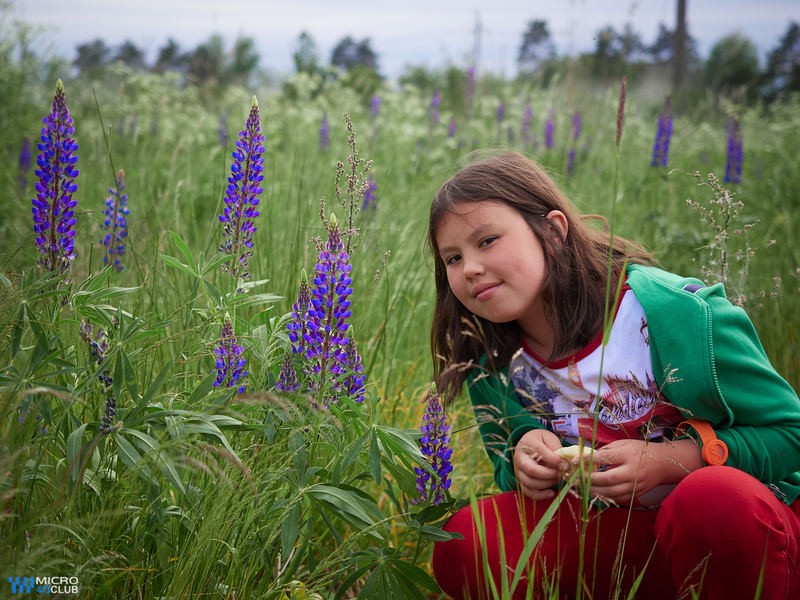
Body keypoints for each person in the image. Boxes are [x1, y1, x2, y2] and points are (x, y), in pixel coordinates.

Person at [427, 151, 800, 599]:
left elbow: (790, 436)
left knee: (710, 500)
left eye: (486, 241)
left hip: (742, 540)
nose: (469, 268)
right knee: (469, 541)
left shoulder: (674, 314)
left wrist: (669, 460)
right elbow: (511, 470)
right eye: (452, 258)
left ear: (553, 231)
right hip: (620, 537)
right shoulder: (487, 358)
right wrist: (523, 456)